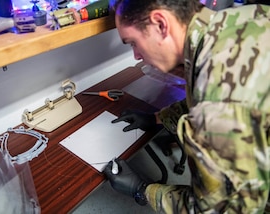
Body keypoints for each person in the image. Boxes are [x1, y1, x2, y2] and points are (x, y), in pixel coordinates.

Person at [103, 0, 270, 213]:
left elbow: (222, 210)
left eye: (133, 42)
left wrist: (142, 189)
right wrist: (156, 118)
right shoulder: (241, 19)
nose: (136, 55)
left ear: (160, 24)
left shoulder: (218, 100)